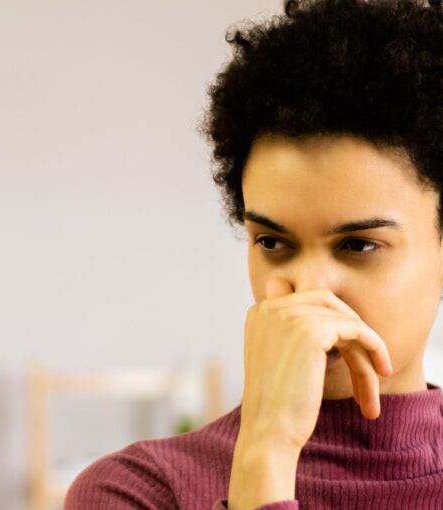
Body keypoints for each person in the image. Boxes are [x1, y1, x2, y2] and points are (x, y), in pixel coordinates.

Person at [63, 1, 443, 508]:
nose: (308, 289)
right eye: (273, 243)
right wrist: (265, 452)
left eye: (358, 245)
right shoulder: (136, 490)